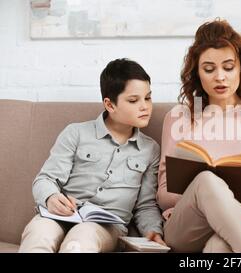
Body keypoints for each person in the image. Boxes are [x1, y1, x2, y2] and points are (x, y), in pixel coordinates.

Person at [157, 19, 241, 252]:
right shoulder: (178, 117)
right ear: (197, 73)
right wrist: (205, 200)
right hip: (188, 225)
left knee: (219, 246)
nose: (220, 77)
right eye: (209, 69)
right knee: (206, 180)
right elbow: (164, 193)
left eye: (228, 67)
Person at [19, 58, 165, 252]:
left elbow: (145, 205)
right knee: (38, 233)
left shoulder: (150, 149)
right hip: (60, 216)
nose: (145, 106)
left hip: (105, 227)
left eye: (148, 98)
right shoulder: (76, 133)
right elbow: (45, 179)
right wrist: (51, 198)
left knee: (79, 241)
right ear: (110, 105)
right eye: (133, 100)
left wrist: (153, 232)